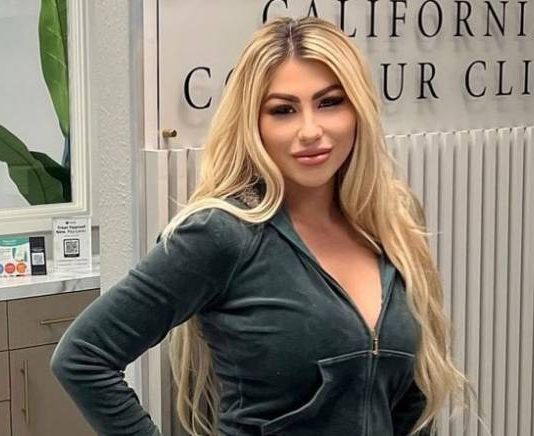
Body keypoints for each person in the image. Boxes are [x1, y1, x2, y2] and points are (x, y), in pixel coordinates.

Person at [50, 16, 476, 436]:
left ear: (358, 109)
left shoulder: (389, 224)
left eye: (329, 102)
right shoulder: (221, 233)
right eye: (283, 110)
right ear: (254, 123)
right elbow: (83, 357)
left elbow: (409, 405)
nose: (310, 130)